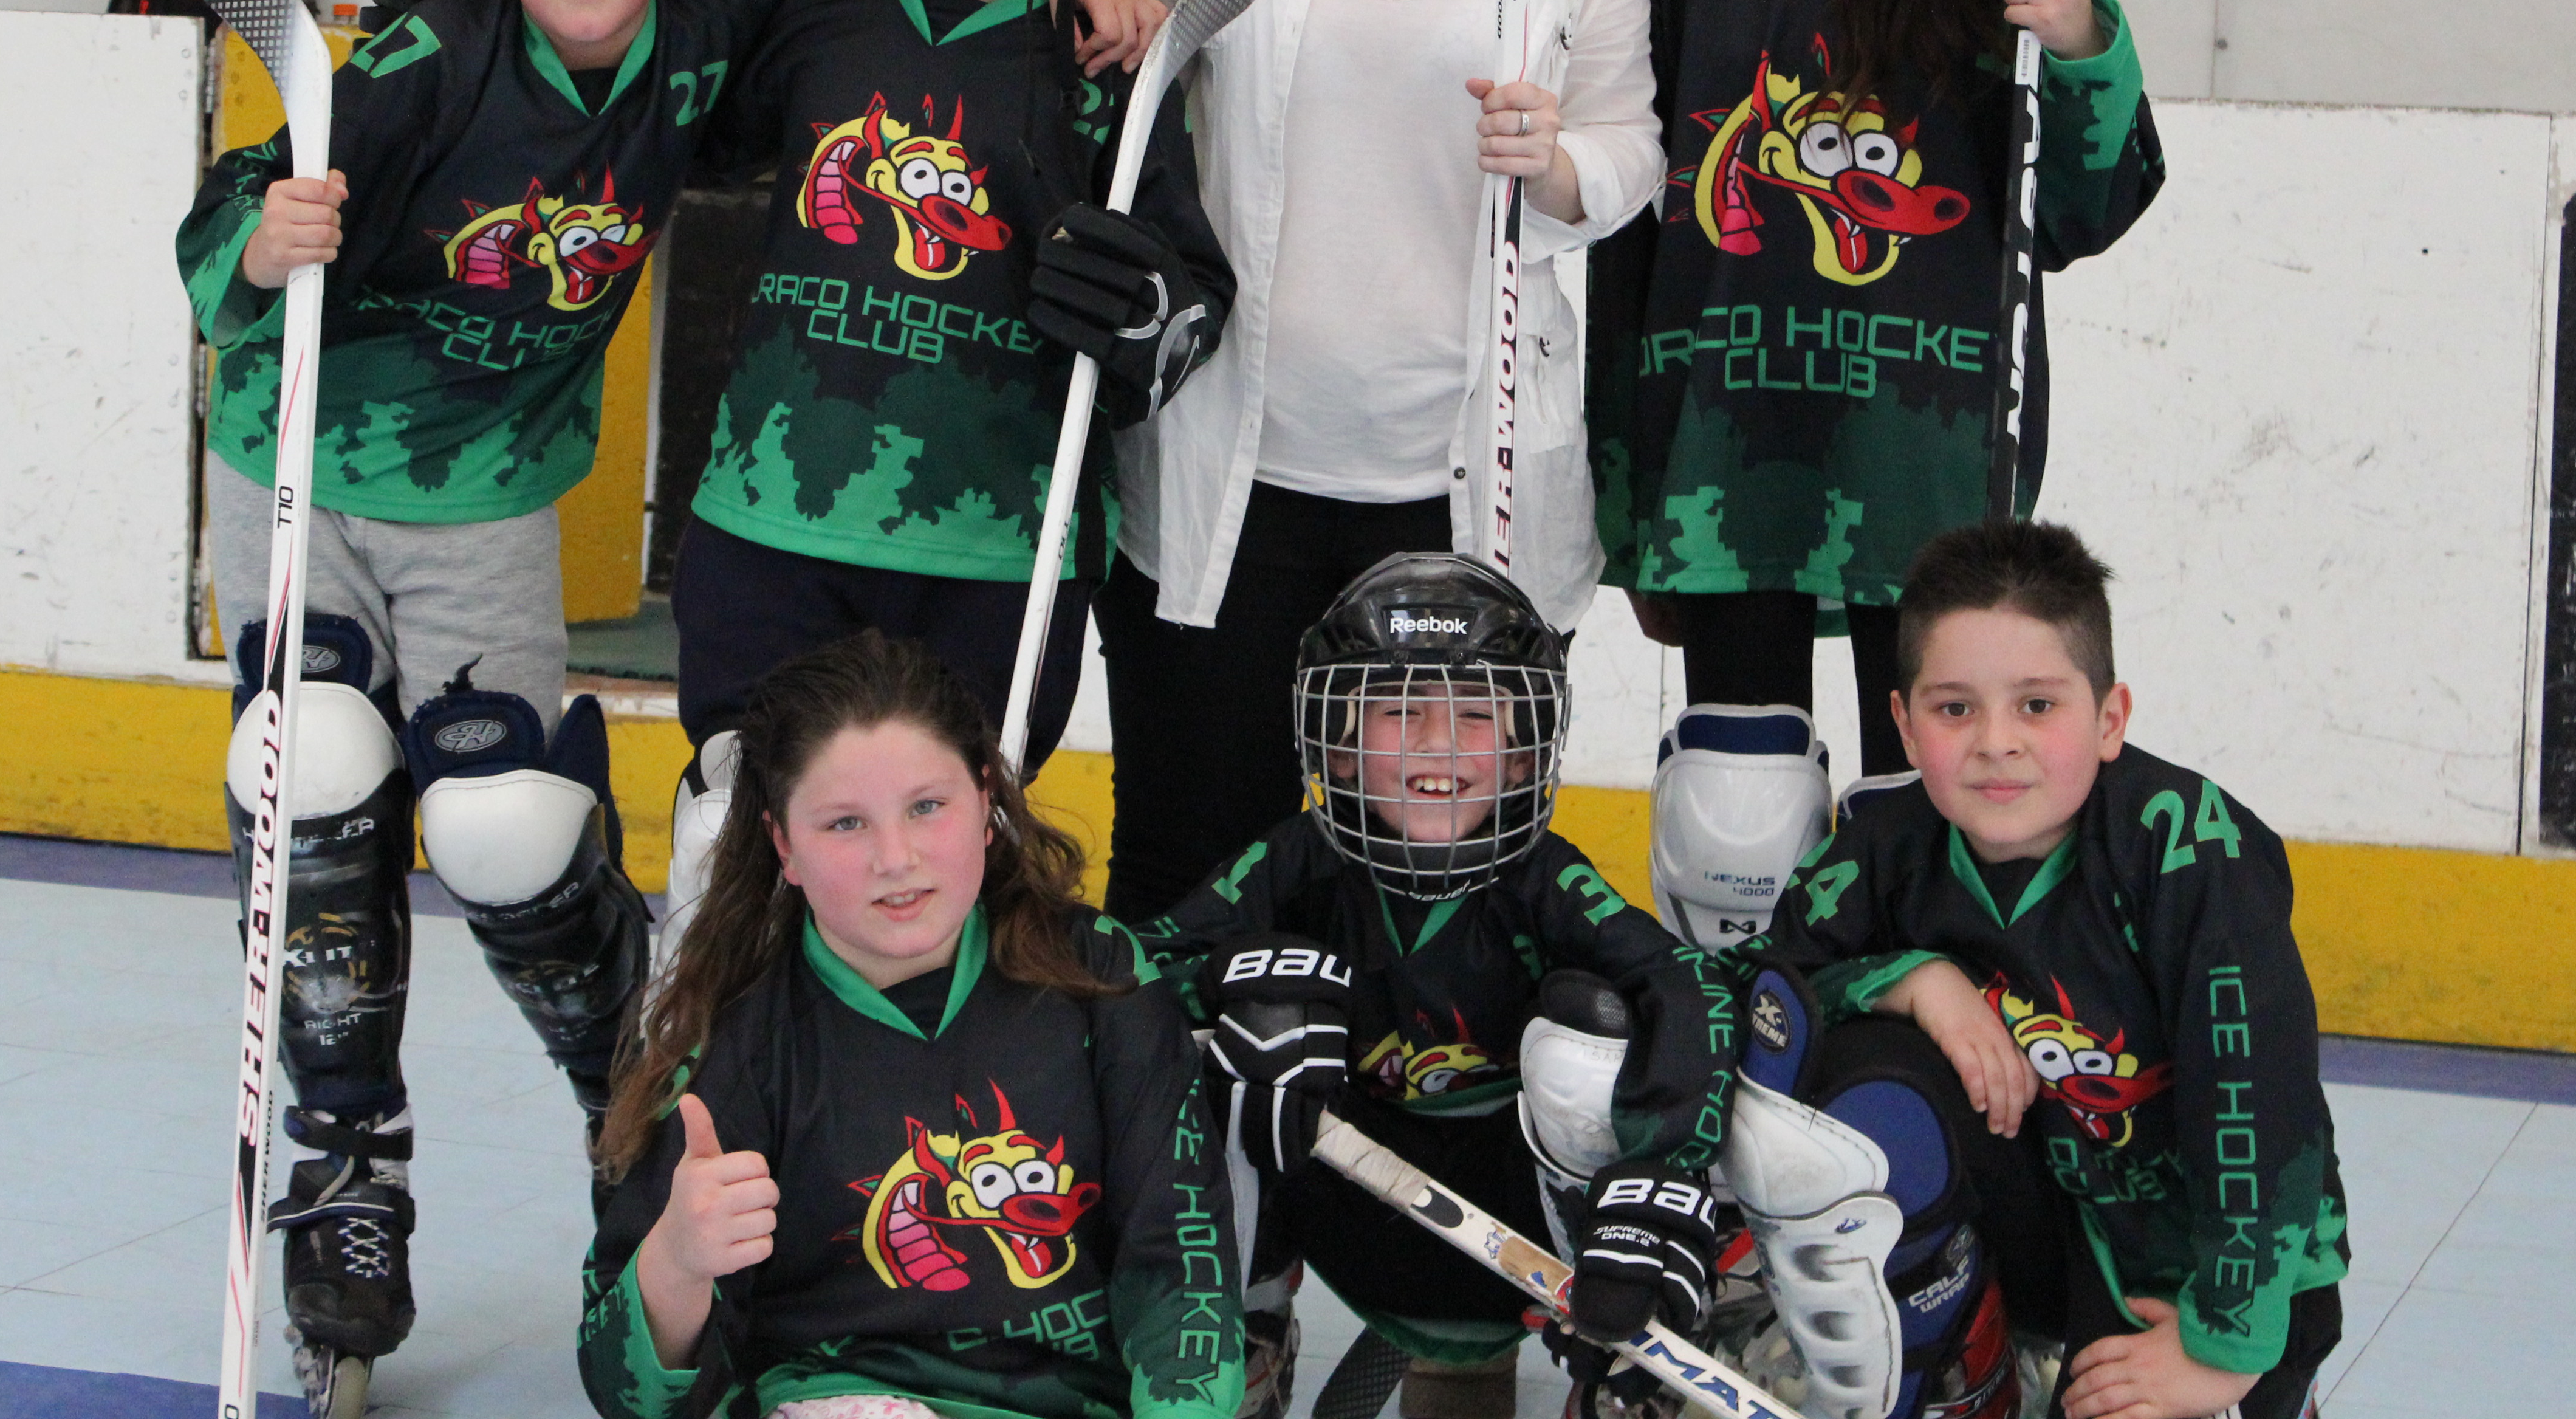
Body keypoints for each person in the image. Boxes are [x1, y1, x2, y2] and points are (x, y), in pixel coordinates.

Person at [175, 0, 1151, 1403]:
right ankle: (348, 1185)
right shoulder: (426, 56)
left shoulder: (708, 23)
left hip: (488, 494)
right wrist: (260, 244)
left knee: (504, 826)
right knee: (310, 769)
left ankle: (630, 1075)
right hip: (294, 465)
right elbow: (232, 210)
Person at [1102, 0, 1662, 921]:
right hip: (1226, 482)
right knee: (1185, 879)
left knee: (1443, 900)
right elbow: (1122, 100)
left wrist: (1558, 165)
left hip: (1464, 486)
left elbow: (1633, 153)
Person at [658, 0, 1234, 958]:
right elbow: (658, 117)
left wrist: (1146, 319)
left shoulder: (1114, 52)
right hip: (774, 529)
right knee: (731, 848)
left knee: (946, 879)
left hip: (996, 553)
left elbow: (1192, 297)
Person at [1589, 0, 2165, 841]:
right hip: (1726, 443)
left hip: (1926, 446)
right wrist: (1628, 487)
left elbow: (2078, 213)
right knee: (1734, 817)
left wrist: (2082, 37)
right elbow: (1631, 217)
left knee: (1932, 805)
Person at [1716, 520, 2348, 1419]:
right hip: (2062, 1239)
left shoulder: (2189, 849)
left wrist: (2228, 1340)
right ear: (1903, 726)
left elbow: (2260, 1100)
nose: (1996, 742)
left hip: (2224, 1273)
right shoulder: (1886, 848)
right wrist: (1911, 982)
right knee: (1859, 1063)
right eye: (1954, 709)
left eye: (2038, 706)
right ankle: (1969, 1364)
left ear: (2110, 720)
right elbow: (1755, 987)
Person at [579, 630, 1239, 1419]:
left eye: (927, 807)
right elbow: (625, 1395)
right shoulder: (738, 1034)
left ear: (987, 803)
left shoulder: (1100, 977)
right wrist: (677, 1265)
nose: (895, 858)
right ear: (783, 844)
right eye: (845, 824)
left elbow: (1181, 1267)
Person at [1136, 555, 1736, 1419]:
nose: (1436, 743)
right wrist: (1228, 989)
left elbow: (1688, 987)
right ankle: (1240, 1325)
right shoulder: (1294, 864)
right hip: (1345, 1213)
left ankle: (1619, 1356)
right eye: (1398, 709)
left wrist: (1658, 1178)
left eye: (1476, 713)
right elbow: (1135, 972)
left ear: (1526, 752)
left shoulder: (1546, 880)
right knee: (1238, 1020)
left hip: (1533, 1235)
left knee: (1595, 1025)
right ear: (1335, 745)